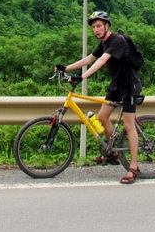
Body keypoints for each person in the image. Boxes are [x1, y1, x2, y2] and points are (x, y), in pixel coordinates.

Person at [55, 11, 142, 184]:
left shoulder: (117, 40)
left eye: (99, 26)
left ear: (107, 26)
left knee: (128, 124)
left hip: (129, 86)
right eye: (94, 27)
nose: (96, 29)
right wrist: (67, 68)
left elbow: (101, 61)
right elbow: (89, 59)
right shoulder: (103, 43)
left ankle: (133, 167)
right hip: (117, 85)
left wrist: (82, 77)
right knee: (102, 116)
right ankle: (113, 153)